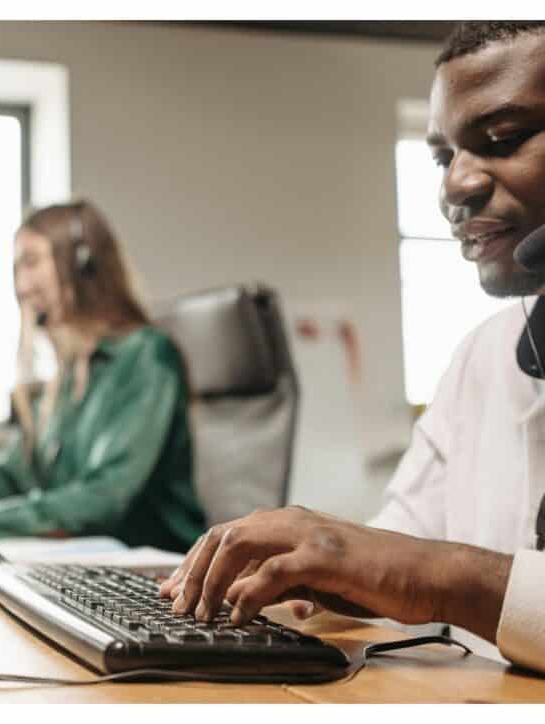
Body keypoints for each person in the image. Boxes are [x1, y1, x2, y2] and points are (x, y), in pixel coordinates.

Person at [160, 21, 545, 672]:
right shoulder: (485, 353)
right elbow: (405, 540)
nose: (455, 186)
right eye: (442, 157)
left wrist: (437, 576)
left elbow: (425, 568)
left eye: (502, 139)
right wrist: (322, 561)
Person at [0, 200, 206, 551]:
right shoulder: (65, 375)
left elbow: (102, 498)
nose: (22, 285)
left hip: (152, 571)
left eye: (30, 262)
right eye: (17, 268)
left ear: (83, 265)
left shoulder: (147, 356)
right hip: (86, 562)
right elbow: (13, 476)